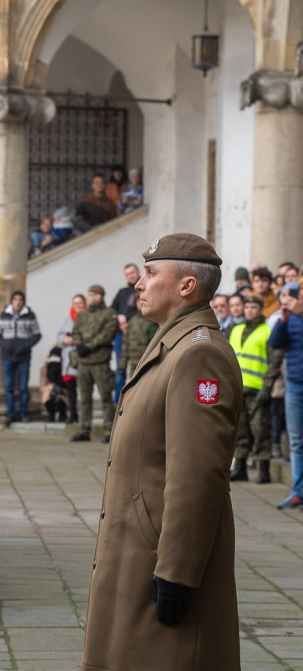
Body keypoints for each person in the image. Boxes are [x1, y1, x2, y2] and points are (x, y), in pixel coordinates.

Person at [80, 233, 241, 671]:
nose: (139, 283)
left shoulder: (198, 355)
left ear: (187, 286)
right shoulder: (169, 341)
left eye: (151, 274)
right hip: (137, 550)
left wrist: (178, 571)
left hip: (159, 558)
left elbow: (198, 475)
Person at [228, 295, 275, 484]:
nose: (249, 310)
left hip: (257, 389)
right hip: (238, 388)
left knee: (261, 430)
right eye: (246, 306)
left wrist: (267, 387)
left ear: (260, 309)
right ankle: (240, 468)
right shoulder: (236, 330)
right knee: (240, 431)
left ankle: (264, 470)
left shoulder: (267, 331)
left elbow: (273, 363)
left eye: (253, 307)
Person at [269, 282, 303, 508]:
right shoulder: (290, 316)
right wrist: (283, 318)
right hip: (294, 384)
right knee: (296, 442)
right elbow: (275, 343)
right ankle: (298, 492)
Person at [70, 284, 118, 443]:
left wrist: (89, 346)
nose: (88, 298)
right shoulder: (82, 315)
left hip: (100, 362)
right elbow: (75, 331)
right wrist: (79, 345)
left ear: (99, 296)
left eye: (91, 295)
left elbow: (108, 334)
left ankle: (109, 430)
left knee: (105, 397)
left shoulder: (109, 314)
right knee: (84, 398)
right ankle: (84, 430)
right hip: (83, 362)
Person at [0, 291, 42, 424]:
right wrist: (4, 345)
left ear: (23, 302)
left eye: (20, 300)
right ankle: (11, 413)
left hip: (23, 357)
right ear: (12, 301)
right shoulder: (4, 315)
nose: (18, 302)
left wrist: (26, 345)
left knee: (22, 387)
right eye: (15, 299)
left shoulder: (30, 316)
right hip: (7, 356)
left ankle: (23, 413)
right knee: (8, 387)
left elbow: (37, 334)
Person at [111, 264, 141, 401]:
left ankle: (135, 400)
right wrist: (118, 318)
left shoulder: (144, 288)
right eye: (128, 274)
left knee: (139, 368)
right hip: (120, 335)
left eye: (133, 272)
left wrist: (129, 321)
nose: (131, 276)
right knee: (120, 368)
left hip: (138, 335)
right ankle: (118, 401)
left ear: (138, 272)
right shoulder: (122, 292)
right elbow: (111, 310)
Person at [58, 294, 87, 424]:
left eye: (80, 303)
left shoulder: (88, 319)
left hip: (82, 359)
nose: (78, 306)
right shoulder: (67, 320)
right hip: (69, 361)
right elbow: (59, 336)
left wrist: (74, 340)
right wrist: (64, 340)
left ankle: (84, 417)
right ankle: (73, 414)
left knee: (84, 390)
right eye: (75, 303)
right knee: (71, 390)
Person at [117, 296, 157, 380]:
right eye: (138, 301)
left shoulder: (153, 320)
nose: (140, 303)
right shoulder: (132, 321)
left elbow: (155, 346)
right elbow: (126, 344)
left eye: (143, 300)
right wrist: (122, 366)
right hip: (134, 364)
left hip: (148, 364)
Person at [39, 346, 68, 422]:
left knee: (59, 398)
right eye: (52, 356)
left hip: (63, 393)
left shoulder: (66, 369)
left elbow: (69, 389)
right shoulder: (45, 369)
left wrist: (60, 389)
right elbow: (42, 387)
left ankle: (63, 414)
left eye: (56, 356)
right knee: (47, 395)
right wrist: (52, 387)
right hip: (49, 391)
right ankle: (51, 414)